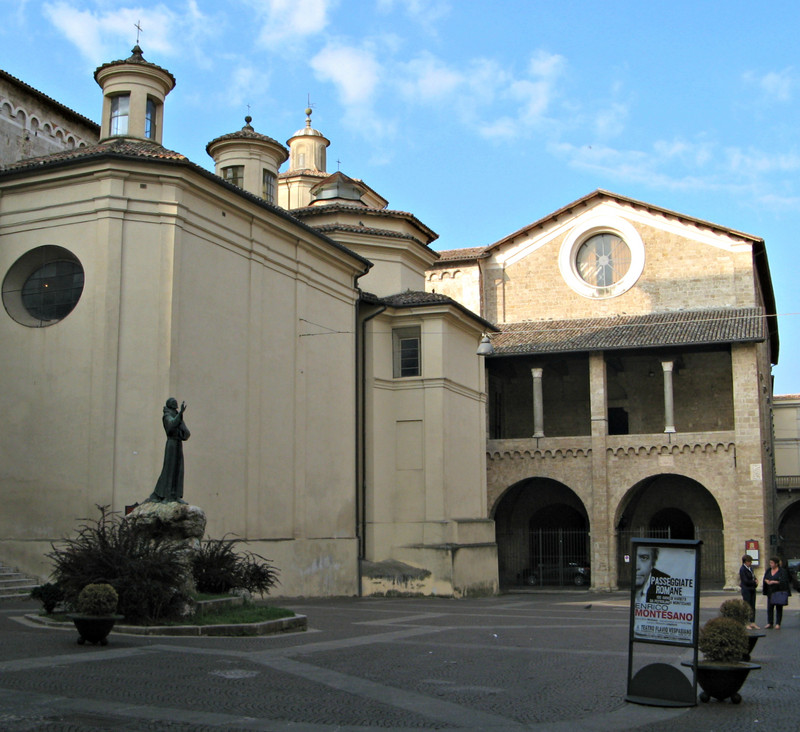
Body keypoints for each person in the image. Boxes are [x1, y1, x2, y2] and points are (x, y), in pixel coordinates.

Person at [148, 398, 190, 503]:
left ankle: (175, 495)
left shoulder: (176, 414)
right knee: (170, 469)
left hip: (178, 443)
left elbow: (185, 432)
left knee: (178, 470)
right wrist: (180, 413)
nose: (176, 403)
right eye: (174, 402)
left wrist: (182, 432)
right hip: (171, 444)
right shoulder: (167, 415)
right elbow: (171, 426)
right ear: (170, 404)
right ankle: (165, 494)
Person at [762, 556, 790, 629]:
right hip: (770, 592)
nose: (770, 564)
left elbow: (784, 581)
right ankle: (770, 623)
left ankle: (778, 623)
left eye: (772, 563)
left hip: (778, 591)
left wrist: (774, 582)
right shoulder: (768, 570)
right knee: (770, 608)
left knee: (778, 607)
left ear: (776, 564)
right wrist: (766, 581)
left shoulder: (782, 571)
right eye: (770, 563)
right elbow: (765, 578)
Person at [739, 554, 759, 629]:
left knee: (752, 606)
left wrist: (755, 580)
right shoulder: (742, 569)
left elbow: (753, 576)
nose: (750, 563)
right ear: (745, 562)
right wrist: (754, 582)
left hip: (752, 589)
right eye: (749, 562)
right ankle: (746, 622)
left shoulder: (750, 569)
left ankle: (752, 622)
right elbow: (745, 581)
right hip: (746, 589)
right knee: (747, 606)